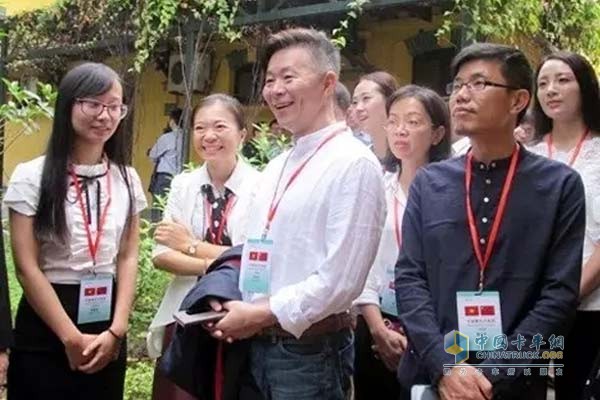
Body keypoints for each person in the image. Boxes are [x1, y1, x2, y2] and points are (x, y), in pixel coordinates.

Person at [395, 43, 585, 400]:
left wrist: (493, 376)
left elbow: (558, 295)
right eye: (458, 85)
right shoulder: (430, 183)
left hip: (515, 382)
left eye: (479, 84)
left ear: (518, 101)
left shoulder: (559, 185)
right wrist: (445, 366)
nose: (462, 96)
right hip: (434, 376)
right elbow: (409, 278)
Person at [206, 27, 386, 400]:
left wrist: (260, 314)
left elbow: (340, 281)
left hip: (308, 353)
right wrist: (225, 297)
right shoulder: (278, 165)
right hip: (253, 345)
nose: (275, 90)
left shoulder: (354, 164)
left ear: (327, 83)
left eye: (289, 77)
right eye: (270, 79)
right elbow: (253, 250)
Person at [4, 62, 147, 399]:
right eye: (93, 104)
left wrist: (118, 329)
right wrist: (69, 336)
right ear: (68, 104)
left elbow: (128, 255)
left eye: (114, 106)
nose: (105, 115)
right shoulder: (31, 177)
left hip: (107, 324)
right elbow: (27, 267)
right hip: (48, 321)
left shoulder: (126, 179)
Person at [149, 94, 260, 399]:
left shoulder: (262, 187)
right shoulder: (183, 185)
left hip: (237, 315)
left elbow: (257, 263)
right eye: (200, 128)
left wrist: (189, 245)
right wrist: (223, 261)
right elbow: (161, 256)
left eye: (219, 126)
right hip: (183, 312)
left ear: (242, 134)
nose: (209, 136)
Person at [353, 85, 451, 399]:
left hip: (439, 328)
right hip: (378, 322)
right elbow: (362, 263)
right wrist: (378, 328)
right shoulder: (377, 189)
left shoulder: (453, 195)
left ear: (437, 134)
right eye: (393, 121)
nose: (400, 131)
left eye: (413, 122)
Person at [529, 51, 600, 400]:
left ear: (585, 85)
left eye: (562, 80)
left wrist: (567, 299)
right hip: (532, 307)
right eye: (542, 83)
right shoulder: (528, 154)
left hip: (588, 307)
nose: (551, 90)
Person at [352, 71, 399, 163]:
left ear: (389, 100)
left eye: (366, 98)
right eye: (354, 102)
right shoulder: (359, 158)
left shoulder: (407, 159)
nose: (358, 108)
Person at [148, 107, 184, 222]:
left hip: (164, 176)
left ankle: (155, 231)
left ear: (172, 121)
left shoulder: (167, 138)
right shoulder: (187, 138)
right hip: (180, 175)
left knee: (159, 205)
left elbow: (153, 155)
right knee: (174, 206)